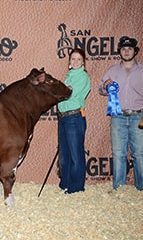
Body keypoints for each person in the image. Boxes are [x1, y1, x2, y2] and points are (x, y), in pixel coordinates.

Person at [99, 36, 143, 192]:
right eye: (123, 49)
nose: (126, 51)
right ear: (119, 51)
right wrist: (105, 86)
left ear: (135, 51)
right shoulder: (112, 70)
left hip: (139, 116)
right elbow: (101, 89)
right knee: (118, 153)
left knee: (139, 153)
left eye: (129, 49)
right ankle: (119, 189)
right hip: (118, 117)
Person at [57, 48, 91, 194]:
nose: (75, 61)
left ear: (83, 62)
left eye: (78, 59)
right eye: (73, 59)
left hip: (74, 117)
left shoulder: (82, 76)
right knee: (65, 154)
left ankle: (76, 187)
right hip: (64, 117)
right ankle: (67, 183)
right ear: (69, 62)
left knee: (76, 155)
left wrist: (60, 90)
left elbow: (68, 93)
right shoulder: (69, 76)